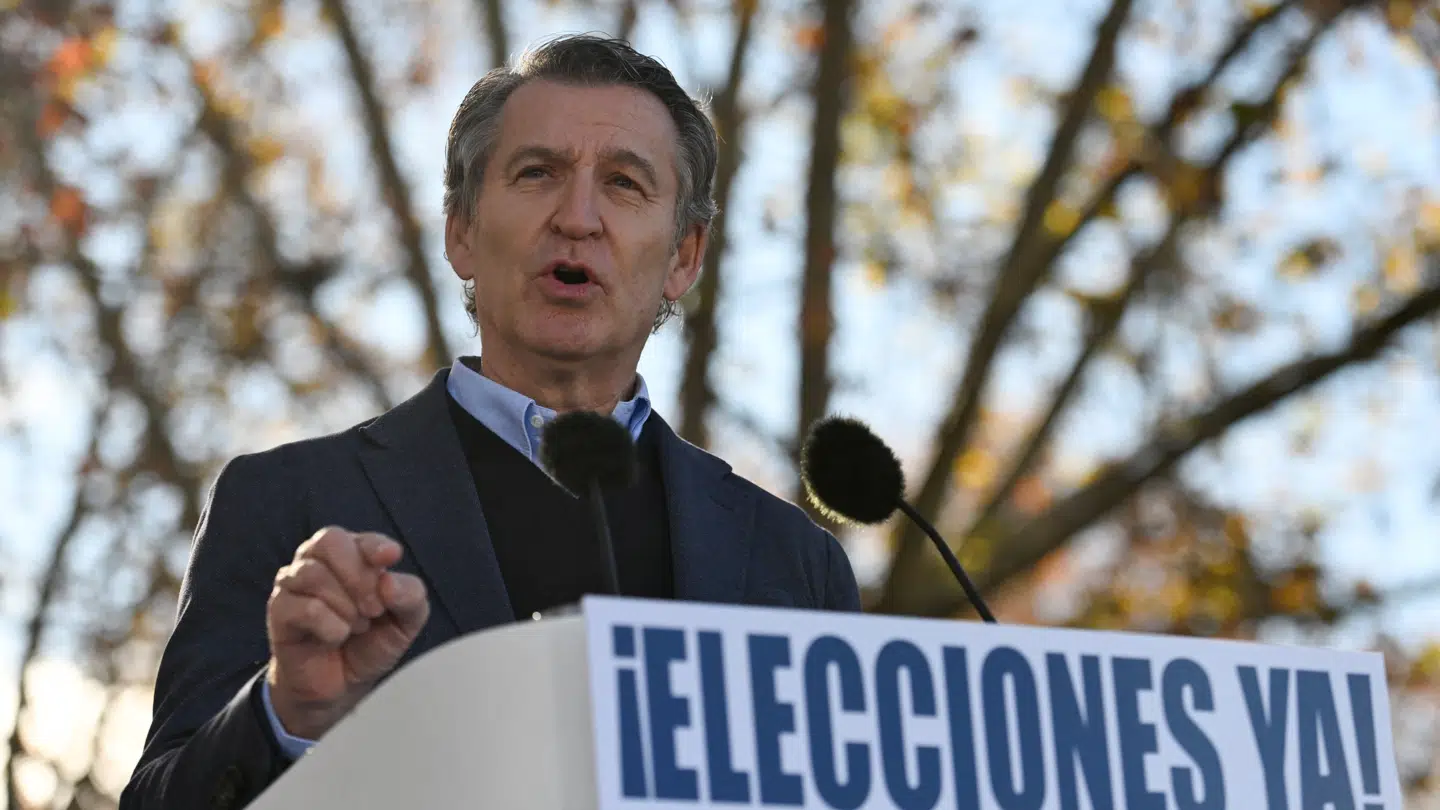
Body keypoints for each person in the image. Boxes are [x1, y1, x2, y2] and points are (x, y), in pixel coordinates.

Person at [119, 33, 861, 810]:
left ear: (684, 256)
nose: (577, 218)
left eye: (624, 184)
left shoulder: (794, 564)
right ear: (462, 231)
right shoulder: (288, 503)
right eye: (536, 174)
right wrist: (288, 713)